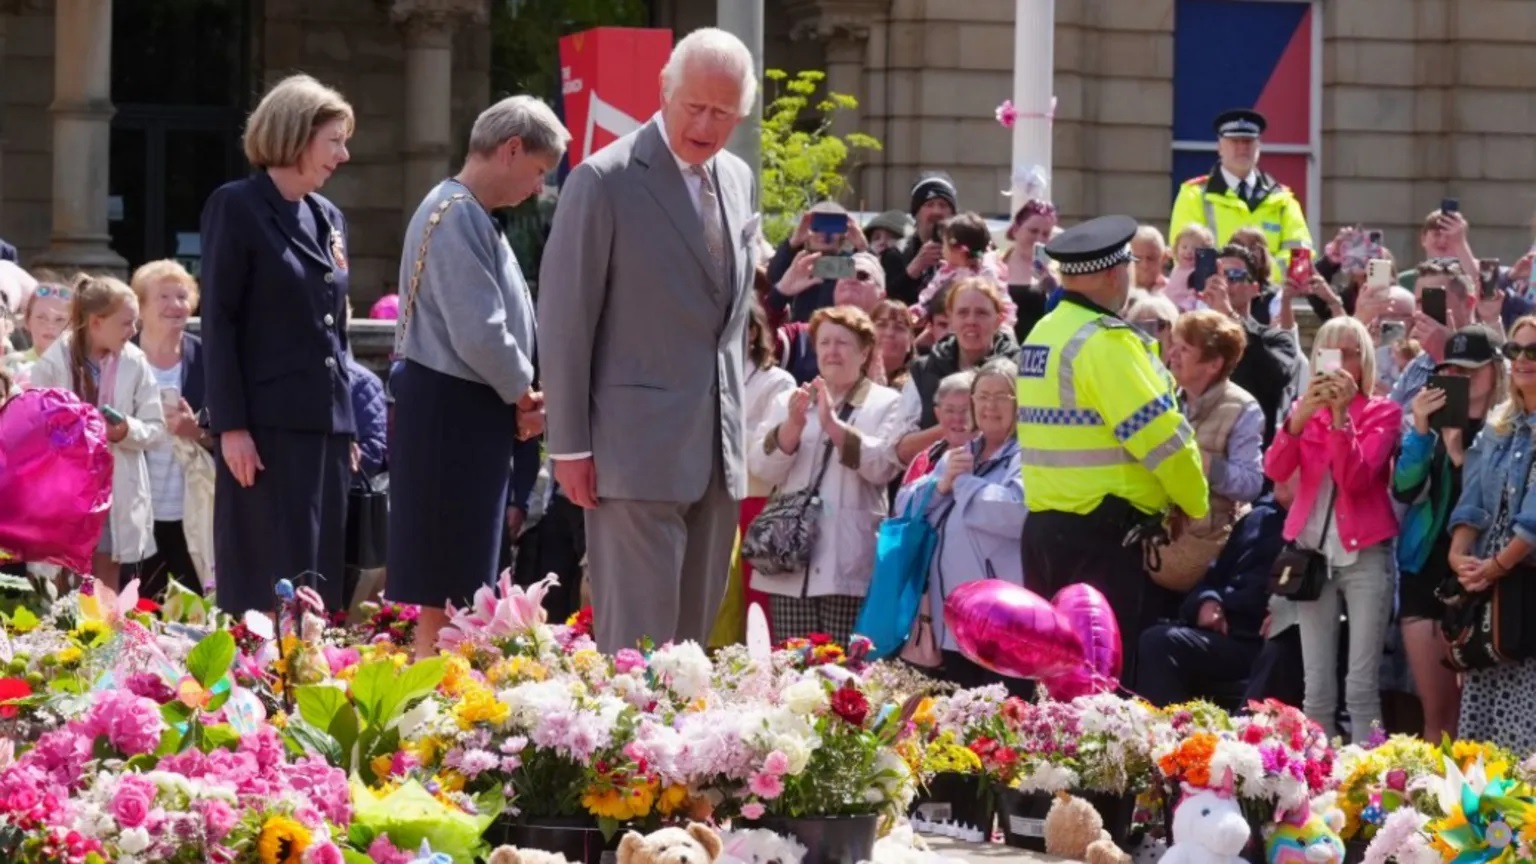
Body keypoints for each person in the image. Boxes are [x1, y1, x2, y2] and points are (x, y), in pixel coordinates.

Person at [539, 27, 758, 653]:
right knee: (636, 652)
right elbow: (564, 320)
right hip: (629, 454)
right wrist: (571, 448)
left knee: (692, 654)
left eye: (724, 112)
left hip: (717, 452)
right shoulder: (602, 180)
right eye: (695, 106)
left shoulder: (738, 179)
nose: (707, 124)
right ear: (664, 91)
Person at [388, 95, 567, 656]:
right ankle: (429, 716)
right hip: (453, 412)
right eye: (538, 171)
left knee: (464, 584)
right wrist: (524, 391)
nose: (538, 187)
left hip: (460, 410)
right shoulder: (457, 212)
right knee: (450, 591)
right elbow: (480, 328)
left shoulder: (466, 213)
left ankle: (444, 712)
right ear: (512, 149)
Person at [1015, 214, 1209, 679]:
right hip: (1102, 540)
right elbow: (1163, 440)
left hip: (1045, 530)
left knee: (1054, 681)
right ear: (1112, 273)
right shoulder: (1106, 343)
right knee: (1103, 688)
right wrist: (1193, 502)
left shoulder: (1042, 335)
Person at [199, 74, 356, 616]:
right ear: (297, 135)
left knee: (319, 575)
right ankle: (257, 691)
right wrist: (231, 426)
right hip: (265, 428)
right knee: (268, 572)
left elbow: (338, 327)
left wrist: (349, 421)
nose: (344, 154)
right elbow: (219, 322)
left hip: (326, 428)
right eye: (334, 140)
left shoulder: (327, 216)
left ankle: (312, 683)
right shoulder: (236, 206)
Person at [1264, 316, 1401, 740]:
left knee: (1361, 688)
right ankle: (1316, 781)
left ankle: (1376, 775)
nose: (1342, 363)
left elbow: (1356, 480)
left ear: (1365, 362)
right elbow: (1275, 470)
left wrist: (1341, 419)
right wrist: (1298, 421)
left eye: (1351, 353)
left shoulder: (1384, 412)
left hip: (1365, 557)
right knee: (1316, 689)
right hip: (1312, 555)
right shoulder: (1302, 412)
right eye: (1331, 352)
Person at [747, 306, 906, 642]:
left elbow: (881, 467)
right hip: (788, 562)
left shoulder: (886, 402)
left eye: (843, 343)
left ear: (864, 352)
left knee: (846, 673)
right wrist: (791, 427)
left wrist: (833, 426)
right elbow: (759, 466)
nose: (832, 351)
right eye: (824, 343)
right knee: (793, 670)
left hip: (847, 561)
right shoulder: (791, 399)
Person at [1395, 325, 1504, 741]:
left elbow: (1491, 504)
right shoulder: (1434, 424)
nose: (1462, 378)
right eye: (1453, 370)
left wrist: (1459, 456)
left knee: (1475, 715)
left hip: (1483, 574)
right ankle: (1432, 804)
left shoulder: (1507, 429)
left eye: (1473, 369)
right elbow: (1403, 488)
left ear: (1497, 370)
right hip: (1426, 569)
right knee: (1437, 711)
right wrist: (1422, 433)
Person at [895, 358, 1026, 692]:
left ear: (1019, 403)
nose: (990, 406)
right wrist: (938, 487)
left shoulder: (1026, 455)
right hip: (946, 623)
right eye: (982, 396)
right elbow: (905, 507)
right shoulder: (961, 453)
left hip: (1000, 624)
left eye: (1001, 397)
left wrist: (964, 484)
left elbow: (1015, 513)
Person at [30, 275, 164, 589]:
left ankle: (106, 638)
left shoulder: (135, 362)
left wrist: (124, 430)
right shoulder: (52, 363)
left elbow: (156, 428)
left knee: (106, 580)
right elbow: (33, 429)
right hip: (64, 489)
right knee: (61, 577)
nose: (133, 331)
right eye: (126, 323)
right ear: (96, 322)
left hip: (113, 490)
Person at [1447, 316, 1536, 754]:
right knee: (1485, 744)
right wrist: (1459, 554)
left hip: (1525, 583)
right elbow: (1472, 500)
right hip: (1493, 591)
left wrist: (1495, 567)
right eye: (1514, 351)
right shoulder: (1499, 424)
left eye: (1533, 352)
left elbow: (1535, 521)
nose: (1522, 360)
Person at [1135, 490, 1289, 707]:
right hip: (1228, 634)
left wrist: (1289, 612)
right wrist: (1207, 601)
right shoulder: (1258, 518)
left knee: (1280, 650)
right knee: (1157, 642)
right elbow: (1213, 577)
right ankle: (1170, 733)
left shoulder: (1318, 526)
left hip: (1273, 641)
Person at [1150, 310, 1264, 596]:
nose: (1172, 354)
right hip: (1155, 549)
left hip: (1204, 559)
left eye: (1185, 349)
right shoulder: (1163, 398)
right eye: (1174, 344)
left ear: (1214, 363)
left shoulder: (1243, 408)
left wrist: (1202, 463)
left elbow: (1251, 484)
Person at [130, 260, 215, 599]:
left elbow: (232, 433)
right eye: (163, 296)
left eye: (182, 296)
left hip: (193, 511)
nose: (175, 305)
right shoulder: (120, 357)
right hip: (135, 512)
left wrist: (194, 431)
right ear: (140, 306)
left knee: (193, 607)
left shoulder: (208, 358)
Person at [1169, 108, 1312, 282]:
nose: (1242, 147)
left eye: (1248, 141)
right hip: (1213, 299)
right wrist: (1231, 276)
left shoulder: (1283, 200)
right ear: (1220, 147)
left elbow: (1302, 256)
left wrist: (1260, 274)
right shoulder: (1194, 195)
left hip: (1272, 300)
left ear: (1258, 146)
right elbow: (1183, 254)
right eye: (1234, 141)